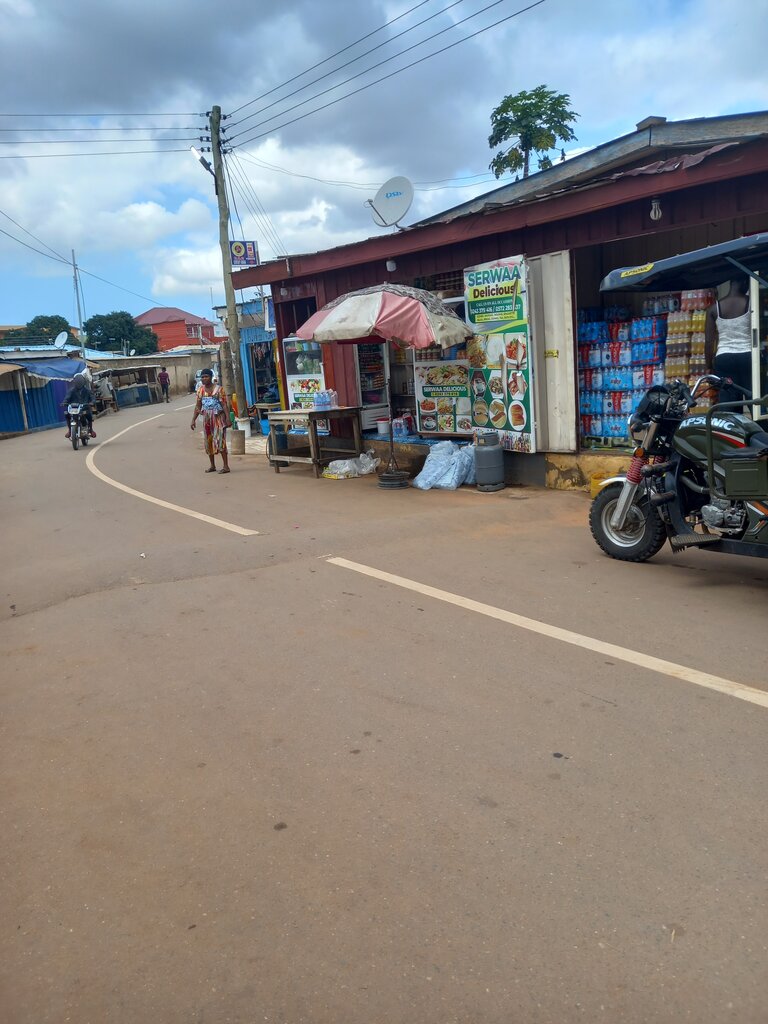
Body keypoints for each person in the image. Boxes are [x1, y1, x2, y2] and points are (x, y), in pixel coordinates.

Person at [705, 277, 752, 406]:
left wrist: (709, 367)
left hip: (724, 359)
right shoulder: (751, 304)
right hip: (748, 357)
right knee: (754, 401)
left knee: (729, 404)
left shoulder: (714, 309)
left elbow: (709, 341)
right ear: (744, 283)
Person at [191, 368, 230, 473]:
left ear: (211, 377)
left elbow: (224, 405)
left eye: (206, 376)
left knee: (220, 440)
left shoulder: (219, 389)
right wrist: (193, 420)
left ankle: (226, 466)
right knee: (208, 442)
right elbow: (197, 406)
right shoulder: (200, 390)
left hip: (218, 418)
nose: (204, 379)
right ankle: (212, 466)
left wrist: (228, 418)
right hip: (207, 419)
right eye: (202, 377)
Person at [63, 372, 96, 439]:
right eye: (77, 381)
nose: (79, 382)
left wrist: (92, 402)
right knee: (66, 414)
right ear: (75, 381)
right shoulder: (71, 391)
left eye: (80, 380)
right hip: (74, 409)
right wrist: (64, 402)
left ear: (83, 381)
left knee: (89, 416)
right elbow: (67, 398)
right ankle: (70, 430)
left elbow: (92, 398)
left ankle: (91, 429)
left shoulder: (87, 391)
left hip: (85, 408)